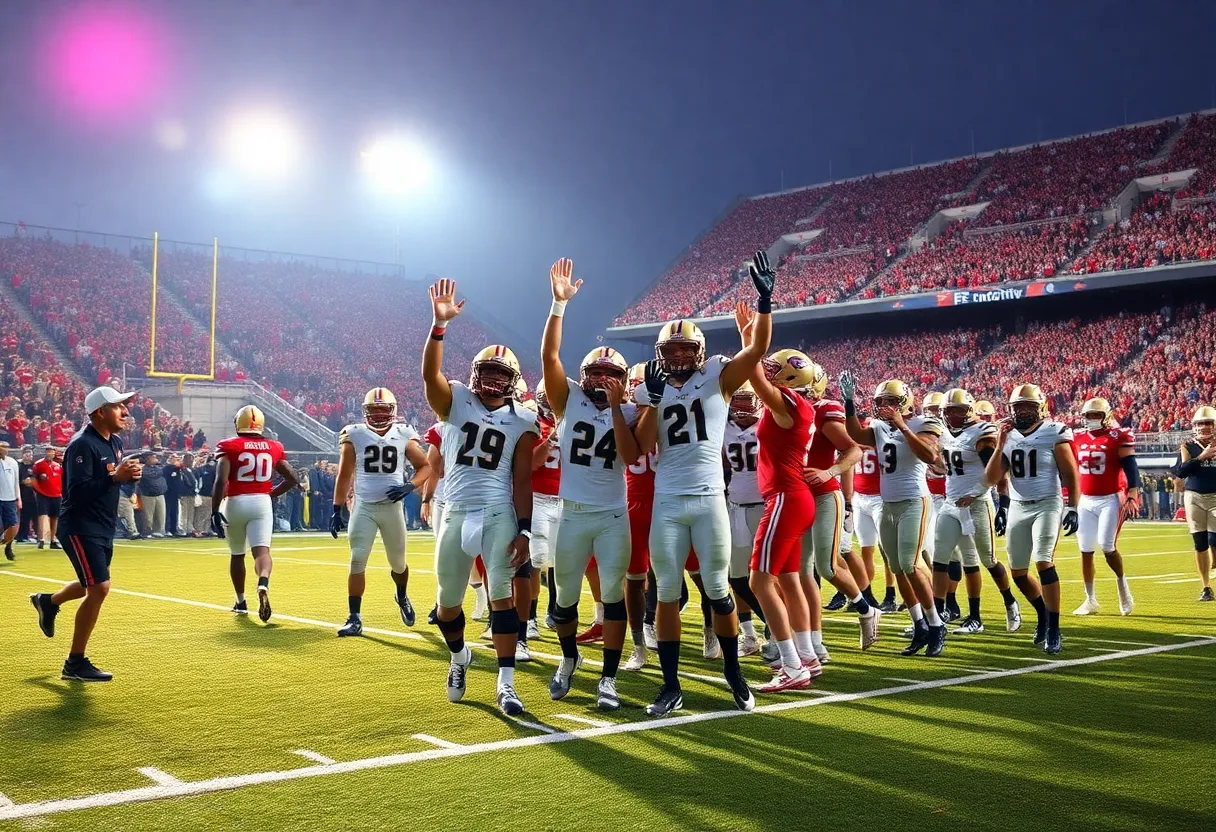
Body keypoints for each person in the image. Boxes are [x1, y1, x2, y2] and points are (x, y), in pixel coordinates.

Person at [633, 250, 775, 718]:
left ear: (697, 352)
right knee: (669, 592)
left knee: (717, 587)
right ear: (659, 356)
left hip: (712, 497)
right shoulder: (649, 390)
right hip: (669, 501)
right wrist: (652, 401)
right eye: (668, 352)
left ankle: (734, 673)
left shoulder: (718, 376)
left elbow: (754, 352)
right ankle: (671, 685)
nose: (675, 358)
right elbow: (639, 447)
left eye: (682, 350)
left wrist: (765, 303)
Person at [423, 278, 539, 717]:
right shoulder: (454, 400)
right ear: (475, 376)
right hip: (453, 511)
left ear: (512, 382)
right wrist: (439, 326)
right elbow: (428, 375)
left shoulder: (523, 420)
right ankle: (459, 657)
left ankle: (506, 683)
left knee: (502, 597)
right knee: (447, 603)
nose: (491, 382)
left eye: (500, 376)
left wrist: (525, 530)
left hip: (498, 514)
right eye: (486, 374)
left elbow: (523, 480)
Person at [747, 346, 880, 693]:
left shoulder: (791, 404)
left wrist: (751, 342)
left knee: (761, 583)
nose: (768, 371)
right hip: (798, 495)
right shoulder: (801, 405)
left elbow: (753, 375)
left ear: (790, 378)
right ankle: (807, 653)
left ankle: (791, 663)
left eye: (774, 369)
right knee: (792, 579)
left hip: (788, 496)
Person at [540, 258, 641, 711]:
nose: (601, 381)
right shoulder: (568, 400)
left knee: (614, 597)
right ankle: (568, 658)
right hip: (571, 513)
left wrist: (621, 407)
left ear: (623, 381)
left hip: (613, 515)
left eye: (611, 376)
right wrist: (558, 305)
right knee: (564, 601)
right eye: (595, 374)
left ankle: (608, 678)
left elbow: (632, 456)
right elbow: (549, 358)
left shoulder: (634, 410)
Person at [29, 386, 141, 681]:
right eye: (118, 407)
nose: (126, 411)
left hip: (102, 526)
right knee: (99, 588)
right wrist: (115, 477)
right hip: (80, 526)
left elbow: (108, 482)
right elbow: (75, 493)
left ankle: (47, 601)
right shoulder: (81, 445)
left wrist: (123, 478)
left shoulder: (114, 442)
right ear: (99, 412)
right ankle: (74, 663)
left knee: (88, 582)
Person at [841, 374, 946, 657]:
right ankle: (919, 624)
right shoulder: (877, 426)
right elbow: (855, 435)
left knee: (910, 564)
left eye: (891, 402)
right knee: (898, 568)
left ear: (905, 402)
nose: (885, 407)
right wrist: (849, 403)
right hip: (887, 504)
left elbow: (929, 455)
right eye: (881, 402)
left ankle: (936, 625)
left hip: (915, 500)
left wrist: (902, 426)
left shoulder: (923, 422)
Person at [984, 384, 1079, 655]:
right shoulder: (1007, 434)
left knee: (1043, 560)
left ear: (1041, 407)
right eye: (1018, 406)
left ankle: (1054, 628)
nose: (1023, 411)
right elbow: (993, 478)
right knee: (1019, 574)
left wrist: (1072, 507)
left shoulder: (1054, 431)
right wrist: (1000, 443)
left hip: (1047, 504)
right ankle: (1043, 615)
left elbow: (1070, 473)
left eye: (1028, 406)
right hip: (1018, 506)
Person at [332, 388, 430, 635]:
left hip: (391, 508)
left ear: (392, 411)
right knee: (357, 560)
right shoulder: (354, 434)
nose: (377, 415)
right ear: (365, 412)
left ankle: (401, 595)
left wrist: (410, 486)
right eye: (373, 410)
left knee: (398, 564)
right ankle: (354, 617)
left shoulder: (403, 433)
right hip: (364, 506)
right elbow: (344, 475)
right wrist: (336, 508)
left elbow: (425, 466)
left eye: (382, 410)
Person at [932, 388, 1022, 637]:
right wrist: (934, 465)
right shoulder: (945, 433)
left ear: (968, 410)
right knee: (940, 559)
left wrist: (993, 499)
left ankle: (1007, 603)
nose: (952, 415)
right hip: (951, 504)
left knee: (986, 560)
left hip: (977, 505)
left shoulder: (981, 433)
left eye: (957, 410)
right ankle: (936, 617)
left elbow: (996, 471)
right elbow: (949, 467)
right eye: (948, 411)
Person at [211, 405, 299, 622]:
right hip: (261, 502)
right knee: (262, 552)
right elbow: (293, 478)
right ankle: (263, 582)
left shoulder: (228, 446)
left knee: (237, 554)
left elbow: (220, 480)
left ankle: (240, 601)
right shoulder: (273, 446)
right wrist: (271, 493)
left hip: (235, 502)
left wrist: (214, 510)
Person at [1072, 397, 1139, 616]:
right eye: (1088, 416)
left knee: (1107, 546)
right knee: (1085, 550)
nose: (1091, 419)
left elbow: (1130, 466)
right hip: (1086, 499)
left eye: (1096, 415)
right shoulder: (1077, 437)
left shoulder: (1118, 436)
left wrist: (1132, 492)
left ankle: (1123, 589)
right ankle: (1090, 599)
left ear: (1106, 416)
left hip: (1110, 497)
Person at [1173, 405, 1216, 601]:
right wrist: (1202, 457)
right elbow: (1181, 471)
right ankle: (1205, 587)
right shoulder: (1188, 445)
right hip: (1194, 496)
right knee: (1199, 543)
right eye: (1200, 423)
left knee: (1214, 541)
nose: (1204, 427)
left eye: (1208, 423)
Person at [31, 446, 64, 549]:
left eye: (52, 452)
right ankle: (41, 539)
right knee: (42, 516)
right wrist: (37, 491)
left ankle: (52, 539)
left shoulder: (58, 466)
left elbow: (62, 479)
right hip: (43, 494)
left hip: (57, 494)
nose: (50, 454)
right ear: (45, 453)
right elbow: (33, 479)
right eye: (48, 452)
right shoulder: (38, 464)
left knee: (55, 517)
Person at [137, 453, 168, 537]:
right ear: (147, 459)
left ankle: (159, 531)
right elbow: (148, 476)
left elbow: (158, 473)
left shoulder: (158, 469)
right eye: (153, 457)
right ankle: (148, 531)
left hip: (160, 494)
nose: (155, 459)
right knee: (148, 515)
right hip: (148, 495)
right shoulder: (143, 469)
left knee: (161, 514)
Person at [0, 440, 19, 560]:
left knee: (12, 525)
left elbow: (16, 481)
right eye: (2, 447)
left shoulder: (12, 462)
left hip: (10, 498)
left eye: (6, 447)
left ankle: (8, 547)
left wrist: (18, 498)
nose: (4, 449)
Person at [17, 447, 37, 545]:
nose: (28, 456)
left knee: (36, 517)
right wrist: (23, 482)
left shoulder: (35, 466)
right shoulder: (18, 466)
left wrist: (33, 481)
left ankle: (38, 535)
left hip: (35, 496)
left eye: (30, 454)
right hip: (23, 496)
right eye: (26, 454)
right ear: (23, 454)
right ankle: (21, 536)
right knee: (24, 517)